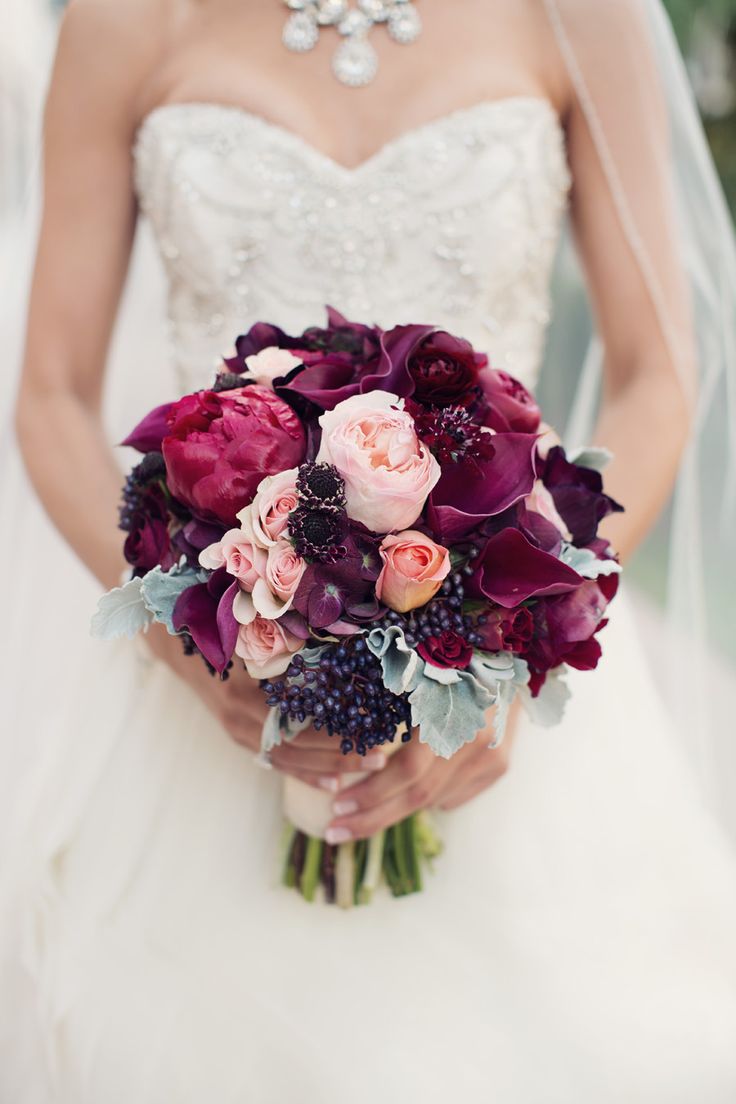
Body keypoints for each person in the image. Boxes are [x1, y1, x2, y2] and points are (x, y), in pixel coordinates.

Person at [2, 0, 736, 1099]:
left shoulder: (579, 15)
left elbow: (657, 371)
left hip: (512, 689)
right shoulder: (125, 21)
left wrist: (518, 639)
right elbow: (52, 397)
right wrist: (193, 651)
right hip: (211, 693)